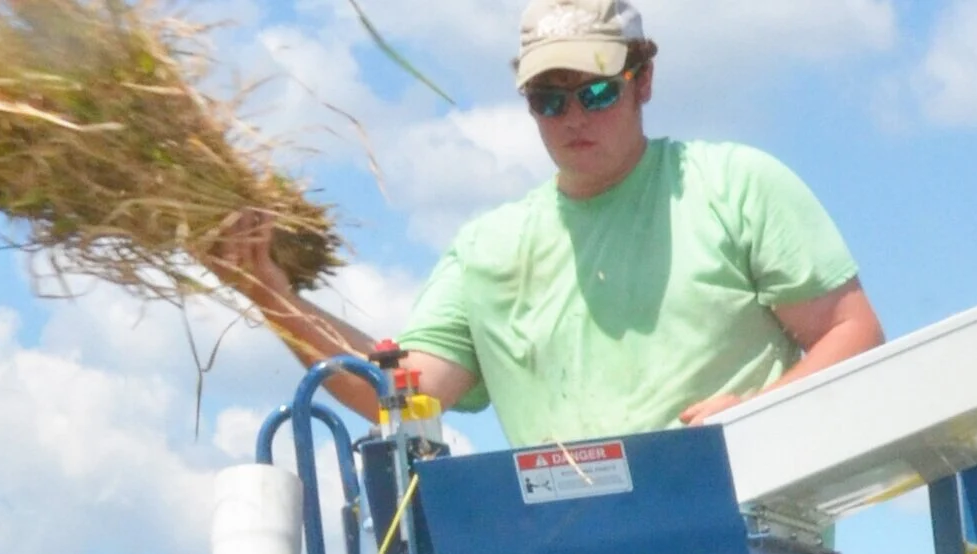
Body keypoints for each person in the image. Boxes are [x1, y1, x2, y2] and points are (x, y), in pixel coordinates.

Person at [208, 0, 884, 443]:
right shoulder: (488, 251)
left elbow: (853, 332)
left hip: (744, 549)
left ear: (642, 81)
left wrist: (757, 415)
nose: (574, 118)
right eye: (547, 100)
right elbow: (402, 398)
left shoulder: (733, 186)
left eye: (595, 92)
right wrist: (271, 295)